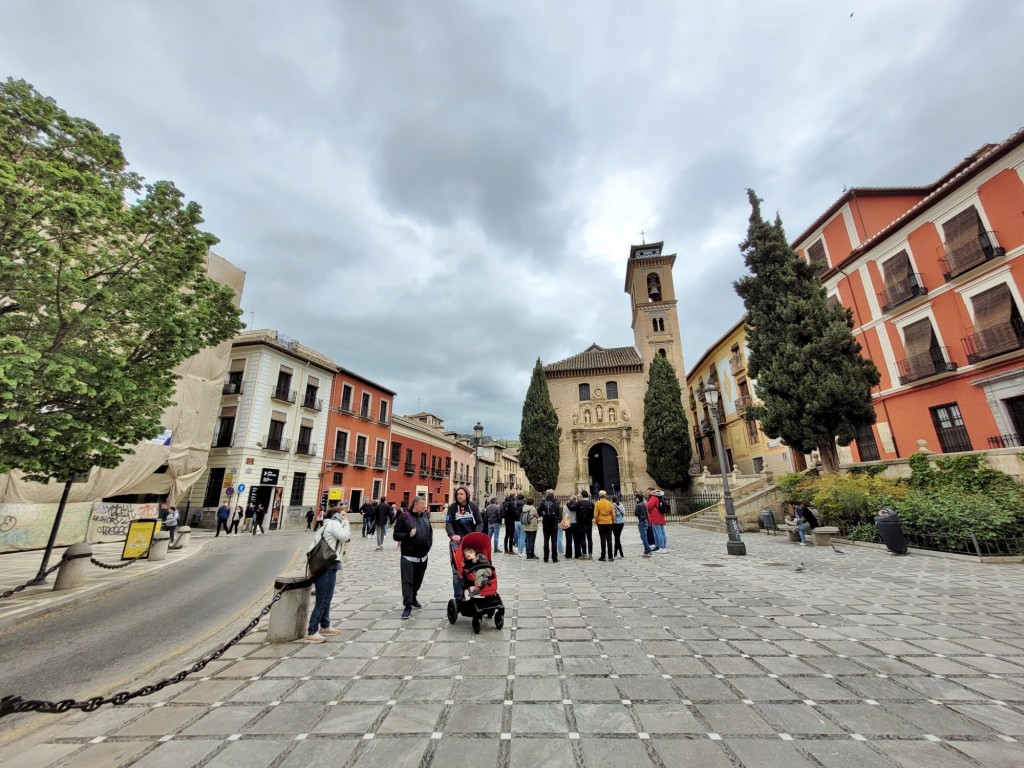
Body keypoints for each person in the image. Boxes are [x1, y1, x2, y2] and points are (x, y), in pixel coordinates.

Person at [305, 505, 351, 642]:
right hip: (327, 565)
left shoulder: (324, 527)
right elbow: (345, 537)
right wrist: (346, 522)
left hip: (323, 564)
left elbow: (312, 547)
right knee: (323, 599)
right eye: (343, 514)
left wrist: (311, 566)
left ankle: (325, 625)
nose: (345, 517)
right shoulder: (334, 524)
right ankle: (312, 630)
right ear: (335, 516)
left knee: (327, 597)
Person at [393, 495, 433, 619]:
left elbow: (430, 532)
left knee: (418, 580)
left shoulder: (425, 516)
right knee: (407, 581)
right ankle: (408, 605)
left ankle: (414, 597)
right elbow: (395, 535)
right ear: (416, 505)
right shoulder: (405, 517)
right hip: (408, 556)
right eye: (423, 504)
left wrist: (429, 544)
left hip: (423, 557)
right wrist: (408, 535)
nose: (425, 506)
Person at [445, 486, 482, 599]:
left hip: (471, 541)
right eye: (457, 494)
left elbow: (480, 522)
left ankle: (477, 588)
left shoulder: (473, 507)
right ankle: (459, 597)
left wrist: (476, 533)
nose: (459, 496)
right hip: (457, 541)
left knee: (475, 566)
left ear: (467, 495)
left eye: (461, 494)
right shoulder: (452, 508)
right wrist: (452, 535)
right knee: (457, 571)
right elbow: (448, 523)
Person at [537, 489, 562, 563]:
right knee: (554, 541)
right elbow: (559, 512)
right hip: (554, 523)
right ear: (553, 494)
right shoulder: (556, 502)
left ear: (547, 494)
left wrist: (543, 514)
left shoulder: (543, 502)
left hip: (546, 523)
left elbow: (538, 511)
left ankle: (546, 557)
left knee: (546, 541)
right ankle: (554, 558)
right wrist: (557, 518)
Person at [569, 491, 595, 559]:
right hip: (589, 522)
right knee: (589, 538)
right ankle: (590, 554)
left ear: (582, 496)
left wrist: (569, 503)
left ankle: (584, 554)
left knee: (583, 538)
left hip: (581, 522)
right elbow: (593, 514)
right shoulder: (591, 503)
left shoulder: (579, 503)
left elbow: (572, 508)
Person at [594, 491, 616, 561]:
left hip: (601, 523)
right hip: (609, 522)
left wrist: (596, 521)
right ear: (606, 495)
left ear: (599, 496)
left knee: (602, 539)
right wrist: (612, 521)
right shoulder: (609, 503)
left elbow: (596, 514)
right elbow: (613, 513)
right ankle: (610, 556)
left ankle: (603, 556)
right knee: (609, 539)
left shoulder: (597, 503)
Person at [647, 489, 667, 553]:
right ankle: (662, 546)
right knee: (662, 532)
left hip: (655, 516)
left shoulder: (653, 497)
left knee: (658, 533)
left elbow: (648, 506)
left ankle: (662, 548)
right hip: (661, 516)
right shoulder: (660, 497)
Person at [635, 492, 652, 558]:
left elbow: (636, 513)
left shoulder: (639, 505)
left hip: (642, 521)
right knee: (644, 536)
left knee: (643, 537)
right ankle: (648, 550)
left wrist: (637, 504)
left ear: (638, 498)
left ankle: (647, 551)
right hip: (646, 521)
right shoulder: (645, 503)